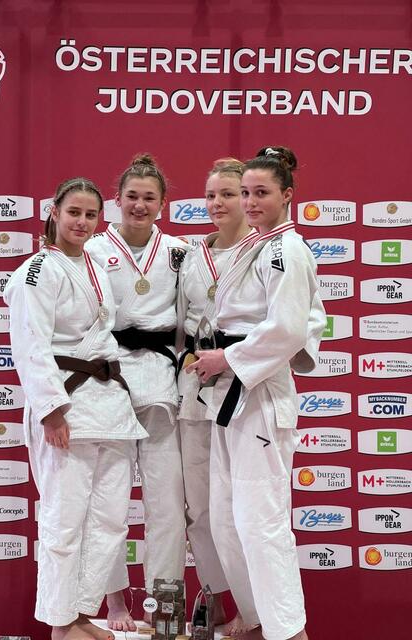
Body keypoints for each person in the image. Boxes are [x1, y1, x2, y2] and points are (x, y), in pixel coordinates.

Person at [186, 146, 326, 640]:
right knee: (227, 519)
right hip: (231, 392)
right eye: (244, 192)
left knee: (261, 522)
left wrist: (227, 359)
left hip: (260, 395)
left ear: (287, 195)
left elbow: (288, 329)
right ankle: (257, 619)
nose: (250, 202)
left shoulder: (287, 250)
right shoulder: (259, 246)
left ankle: (288, 632)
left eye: (261, 192)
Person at [4, 177, 148, 640]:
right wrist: (50, 410)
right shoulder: (36, 271)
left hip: (109, 405)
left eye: (90, 215)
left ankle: (82, 611)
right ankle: (60, 623)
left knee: (109, 520)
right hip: (67, 405)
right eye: (74, 213)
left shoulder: (95, 267)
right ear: (54, 211)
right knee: (64, 521)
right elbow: (30, 344)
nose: (82, 222)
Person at [86, 155, 188, 632]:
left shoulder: (179, 252)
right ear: (117, 200)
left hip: (161, 382)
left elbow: (192, 318)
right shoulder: (91, 249)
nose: (139, 205)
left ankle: (165, 609)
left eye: (149, 198)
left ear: (163, 204)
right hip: (107, 379)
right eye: (132, 196)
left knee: (166, 504)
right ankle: (114, 604)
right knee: (107, 502)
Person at [176, 158, 258, 627]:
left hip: (241, 385)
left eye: (228, 194)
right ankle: (216, 596)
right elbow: (178, 326)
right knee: (199, 506)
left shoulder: (262, 251)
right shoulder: (192, 254)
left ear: (246, 198)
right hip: (194, 386)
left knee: (240, 505)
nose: (217, 203)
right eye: (211, 195)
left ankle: (253, 609)